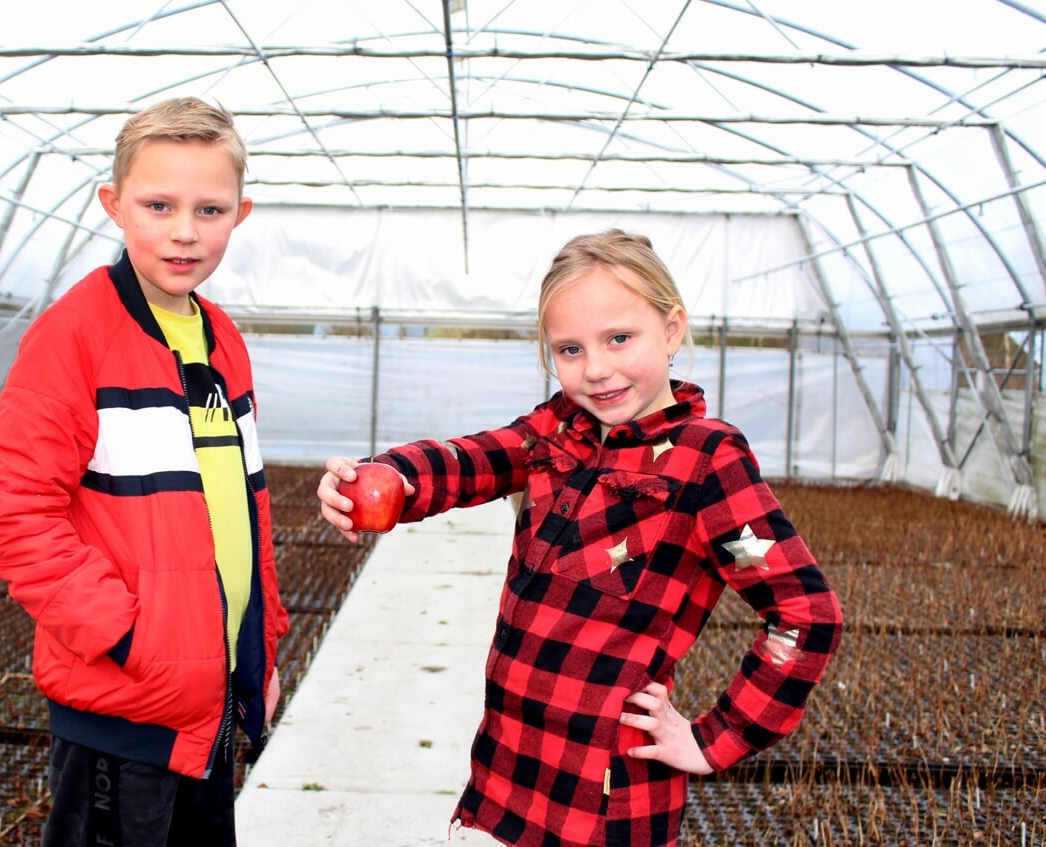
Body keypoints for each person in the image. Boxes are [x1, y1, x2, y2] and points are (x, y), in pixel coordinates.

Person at [317, 228, 843, 847]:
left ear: (672, 330)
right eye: (569, 349)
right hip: (504, 771)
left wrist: (714, 738)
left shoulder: (706, 461)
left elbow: (806, 613)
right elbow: (474, 457)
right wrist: (396, 477)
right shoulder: (559, 429)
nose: (596, 369)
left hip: (605, 797)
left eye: (619, 338)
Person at [0, 96, 289, 847]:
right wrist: (129, 637)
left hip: (209, 698)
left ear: (239, 215)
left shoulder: (220, 338)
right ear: (113, 205)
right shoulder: (73, 336)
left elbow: (243, 506)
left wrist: (259, 649)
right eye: (158, 205)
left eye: (209, 209)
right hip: (123, 714)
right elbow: (15, 513)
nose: (184, 231)